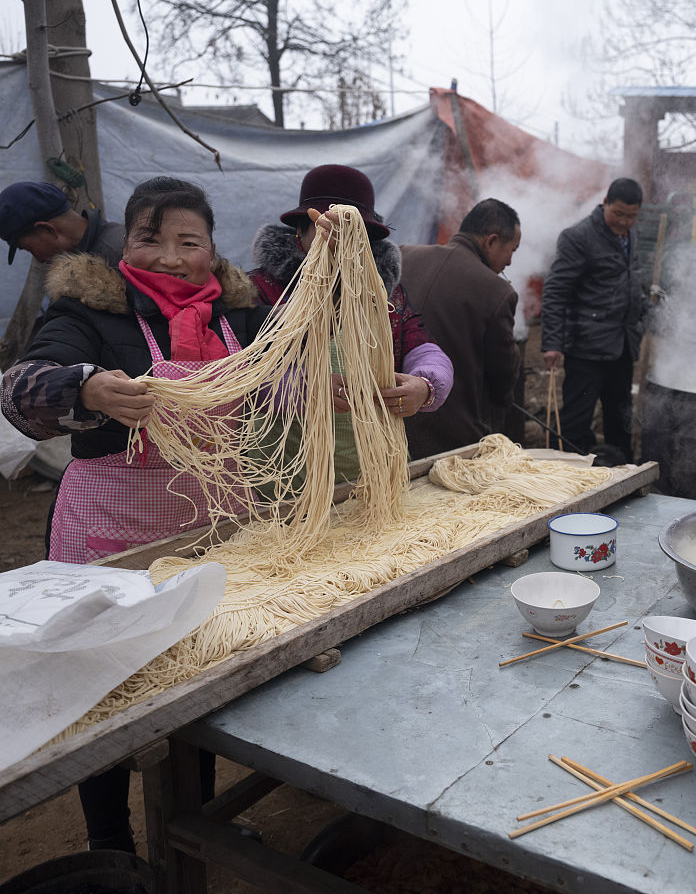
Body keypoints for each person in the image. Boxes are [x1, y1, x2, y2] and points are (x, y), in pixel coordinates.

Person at [0, 176, 274, 853]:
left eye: (190, 241)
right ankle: (111, 842)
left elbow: (279, 382)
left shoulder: (238, 315)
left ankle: (193, 824)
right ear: (127, 240)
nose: (171, 257)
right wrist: (83, 386)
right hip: (112, 531)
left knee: (194, 676)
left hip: (211, 523)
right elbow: (21, 390)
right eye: (152, 238)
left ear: (212, 250)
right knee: (103, 688)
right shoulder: (89, 307)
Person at [248, 164, 452, 482]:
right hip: (287, 476)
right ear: (300, 234)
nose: (339, 242)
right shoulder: (262, 290)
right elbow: (243, 377)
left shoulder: (385, 295)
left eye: (354, 232)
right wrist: (304, 390)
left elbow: (424, 349)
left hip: (376, 470)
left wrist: (425, 386)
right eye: (327, 228)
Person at [400, 198, 521, 459]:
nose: (510, 262)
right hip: (452, 437)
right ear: (491, 241)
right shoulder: (498, 291)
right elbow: (502, 378)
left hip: (391, 419)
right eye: (511, 250)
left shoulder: (404, 256)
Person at [541, 178, 647, 462]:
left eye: (632, 216)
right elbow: (555, 291)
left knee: (620, 416)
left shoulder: (630, 236)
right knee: (576, 419)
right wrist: (552, 343)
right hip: (585, 347)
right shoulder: (578, 237)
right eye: (619, 214)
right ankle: (563, 474)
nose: (625, 222)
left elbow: (631, 281)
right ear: (605, 204)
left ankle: (623, 472)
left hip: (622, 344)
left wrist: (646, 312)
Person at [0, 180, 124, 268]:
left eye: (30, 249)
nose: (39, 260)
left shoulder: (121, 257)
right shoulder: (82, 258)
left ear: (46, 229)